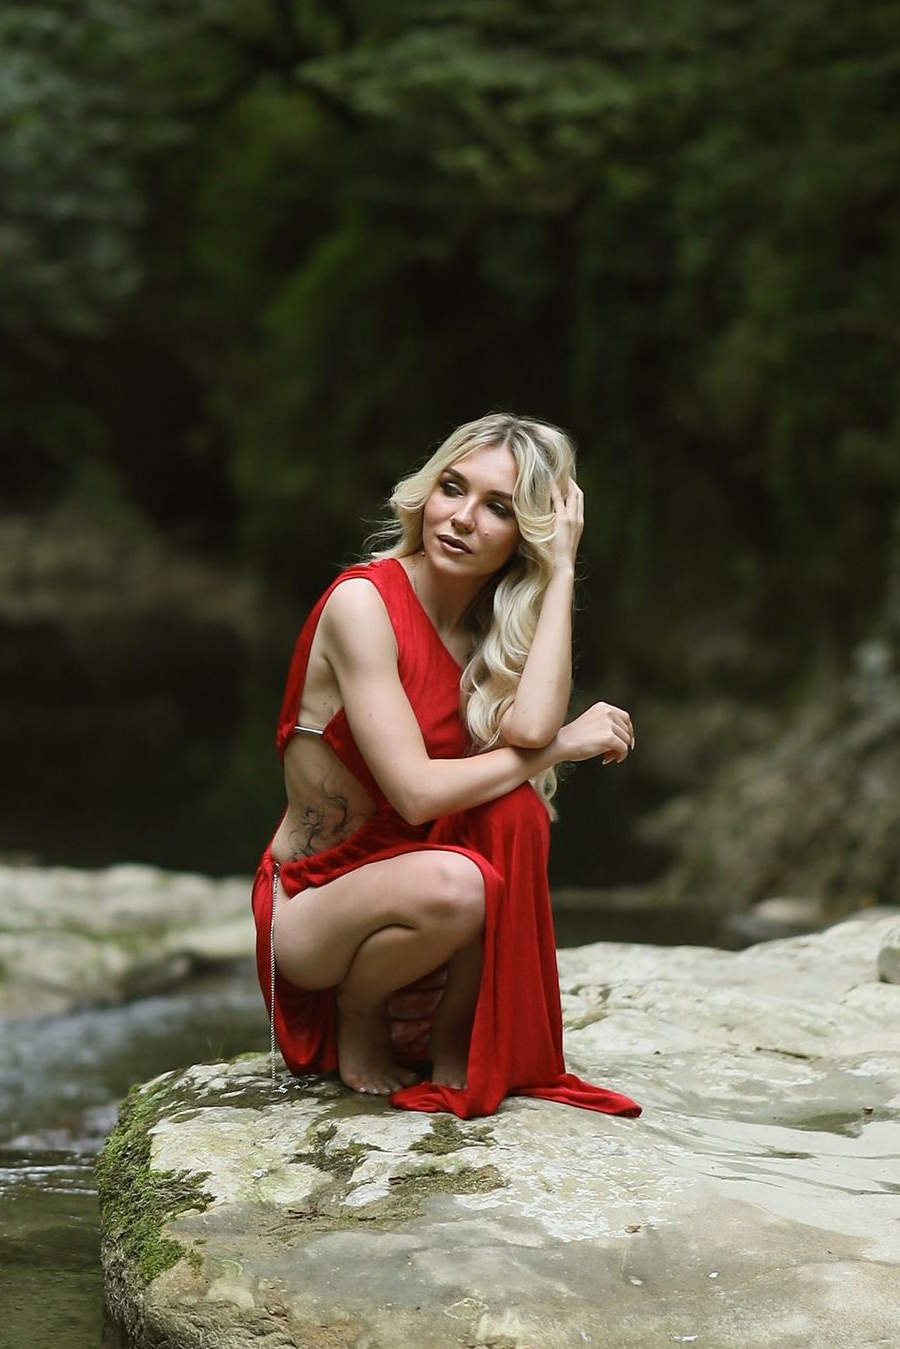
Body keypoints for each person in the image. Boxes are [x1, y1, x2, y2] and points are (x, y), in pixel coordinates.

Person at [254, 413, 639, 1117]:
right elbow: (417, 792)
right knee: (464, 879)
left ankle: (455, 1039)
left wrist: (560, 571)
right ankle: (358, 1007)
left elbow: (527, 727)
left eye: (497, 508)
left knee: (514, 808)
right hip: (315, 912)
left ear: (527, 531)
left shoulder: (489, 629)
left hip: (425, 911)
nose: (461, 519)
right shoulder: (363, 604)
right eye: (451, 489)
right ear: (423, 494)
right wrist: (559, 748)